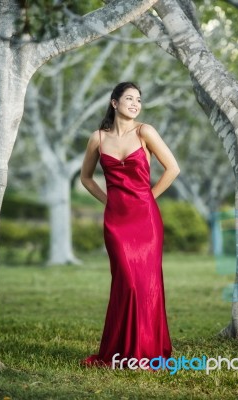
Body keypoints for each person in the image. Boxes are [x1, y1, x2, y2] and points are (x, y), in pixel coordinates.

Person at [80, 82, 180, 367]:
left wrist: (147, 198)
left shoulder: (145, 132)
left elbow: (173, 168)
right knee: (126, 283)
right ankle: (120, 350)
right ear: (114, 103)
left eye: (139, 99)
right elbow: (85, 178)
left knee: (146, 285)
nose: (135, 103)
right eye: (129, 98)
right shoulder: (97, 138)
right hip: (116, 223)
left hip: (146, 221)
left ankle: (148, 349)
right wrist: (108, 201)